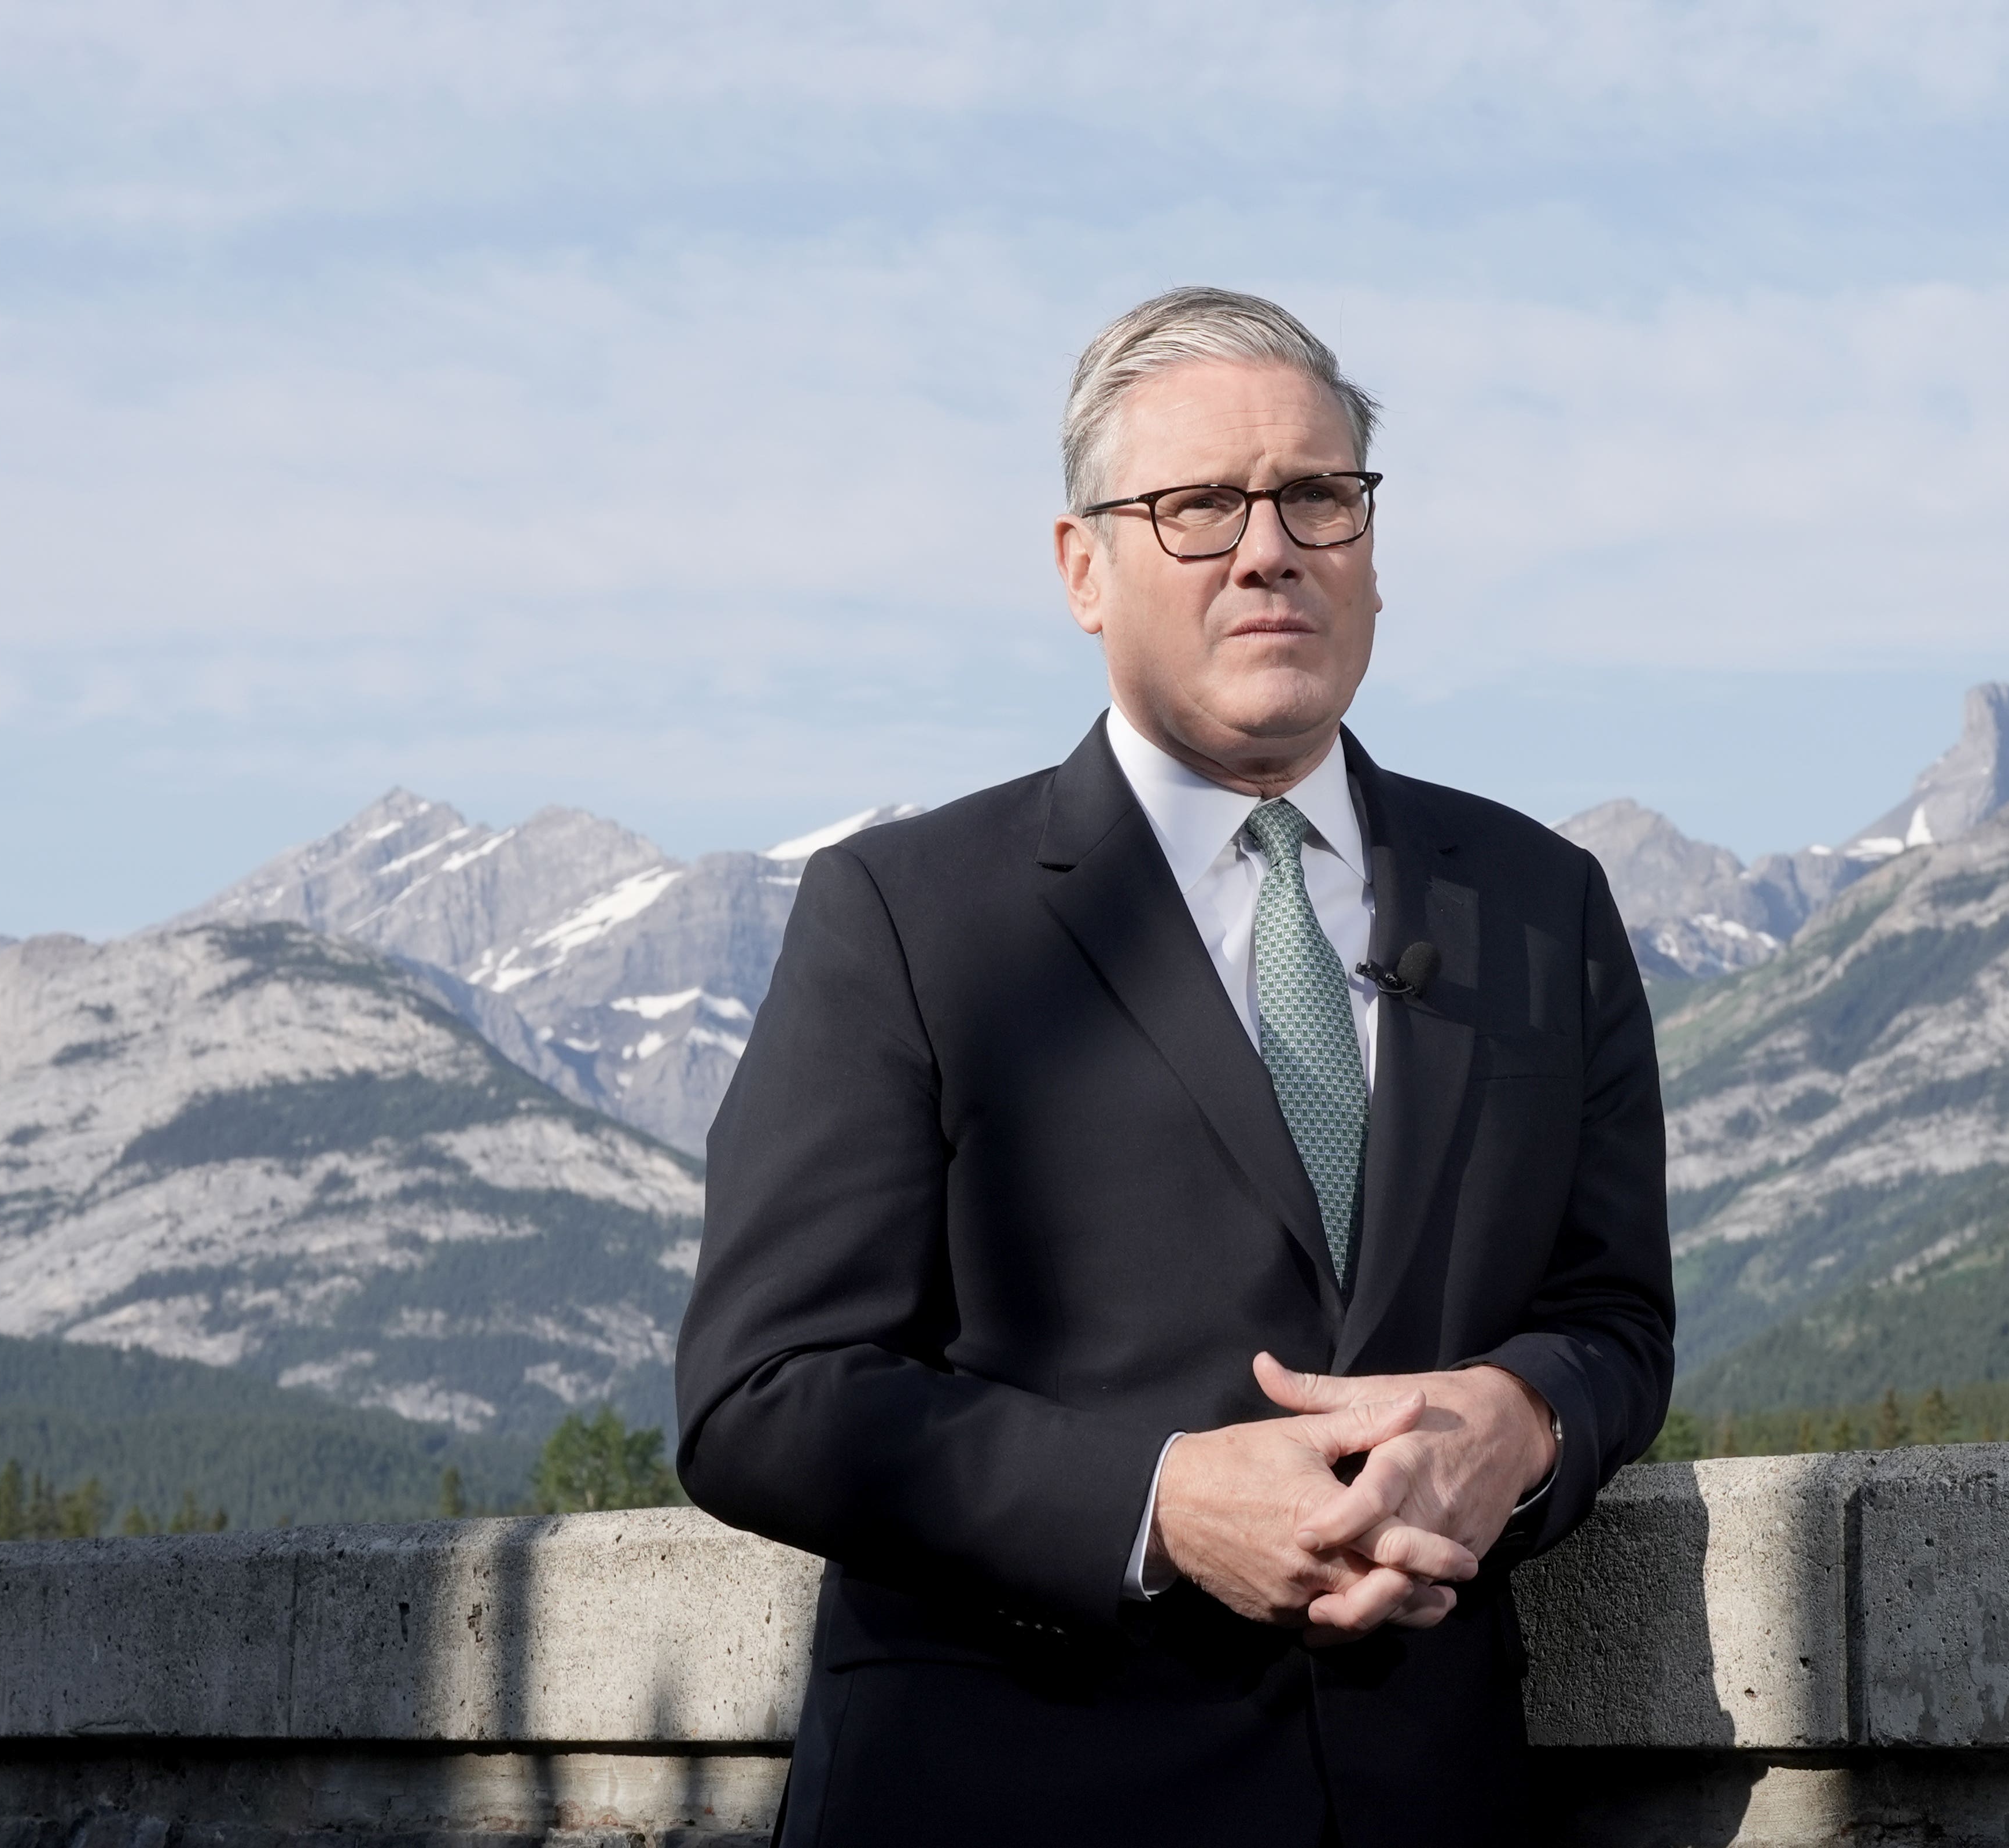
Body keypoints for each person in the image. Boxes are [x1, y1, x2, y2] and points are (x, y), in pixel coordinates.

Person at [675, 286, 1673, 1848]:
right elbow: (761, 1395)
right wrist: (1155, 1501)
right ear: (1085, 566)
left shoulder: (1540, 907)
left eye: (1318, 497)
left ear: (1371, 551)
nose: (1268, 546)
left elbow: (1613, 1316)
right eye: (1200, 504)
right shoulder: (909, 915)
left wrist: (1521, 1422)